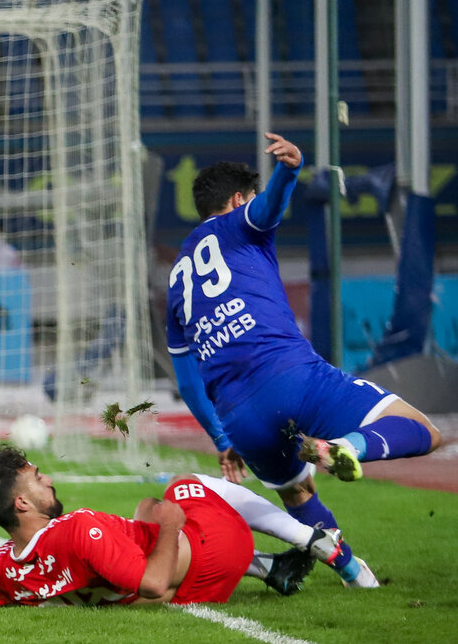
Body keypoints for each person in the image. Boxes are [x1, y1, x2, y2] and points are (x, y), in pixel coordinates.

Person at [165, 132, 442, 588]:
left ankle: (354, 573)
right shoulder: (237, 225)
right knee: (424, 430)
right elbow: (269, 208)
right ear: (238, 200)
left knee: (298, 491)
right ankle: (349, 446)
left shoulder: (177, 279)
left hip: (239, 418)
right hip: (291, 377)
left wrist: (221, 436)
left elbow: (188, 381)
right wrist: (289, 171)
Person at [0, 445, 346, 606]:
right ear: (22, 503)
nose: (49, 479)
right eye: (38, 478)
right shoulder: (78, 529)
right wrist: (170, 525)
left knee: (142, 508)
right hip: (214, 553)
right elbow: (153, 584)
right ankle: (313, 539)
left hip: (187, 584)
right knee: (182, 488)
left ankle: (271, 568)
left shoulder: (4, 568)